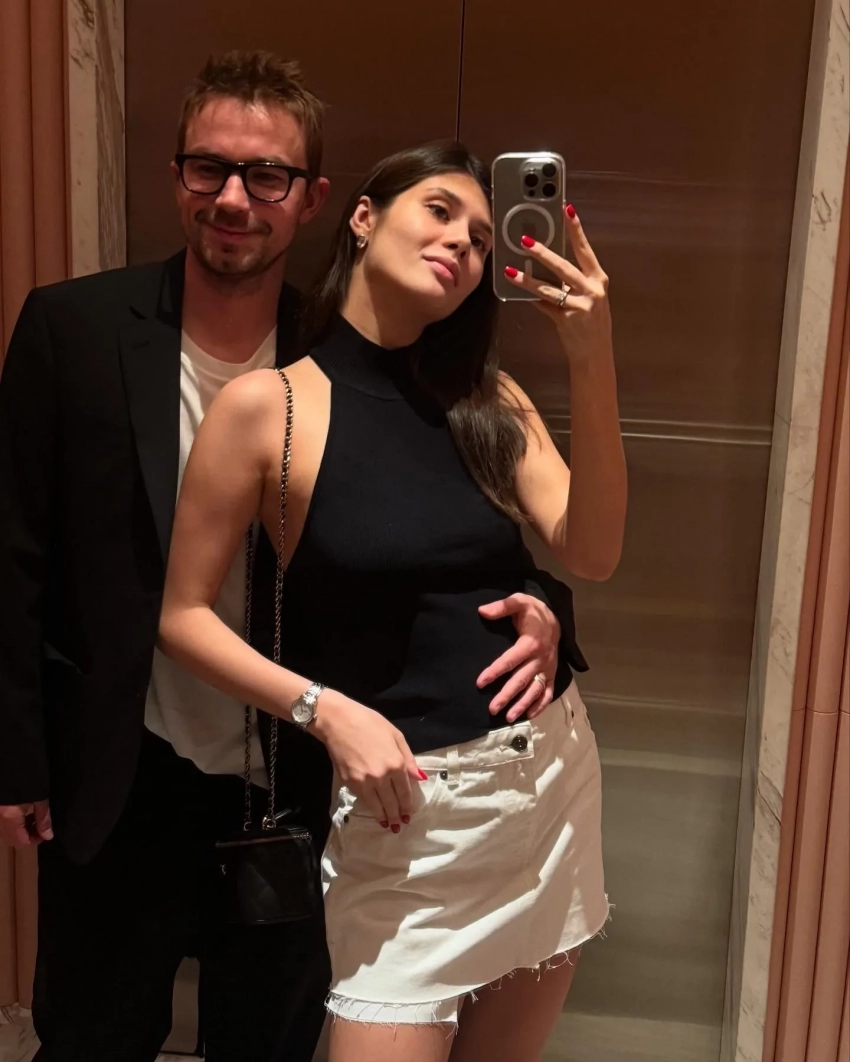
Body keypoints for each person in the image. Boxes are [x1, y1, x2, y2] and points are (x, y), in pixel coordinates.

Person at [0, 53, 577, 1062]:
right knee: (91, 1038)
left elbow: (453, 518)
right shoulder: (76, 328)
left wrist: (545, 605)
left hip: (306, 786)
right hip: (122, 767)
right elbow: (15, 551)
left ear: (314, 200)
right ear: (176, 177)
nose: (233, 199)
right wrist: (16, 758)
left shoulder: (349, 350)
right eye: (209, 168)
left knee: (268, 1044)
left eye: (266, 176)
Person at [158, 139, 627, 1062]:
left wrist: (592, 358)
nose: (463, 243)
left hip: (548, 781)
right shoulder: (266, 409)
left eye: (482, 239)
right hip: (406, 819)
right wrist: (322, 710)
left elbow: (594, 551)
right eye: (440, 212)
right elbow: (183, 618)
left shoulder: (491, 400)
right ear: (364, 218)